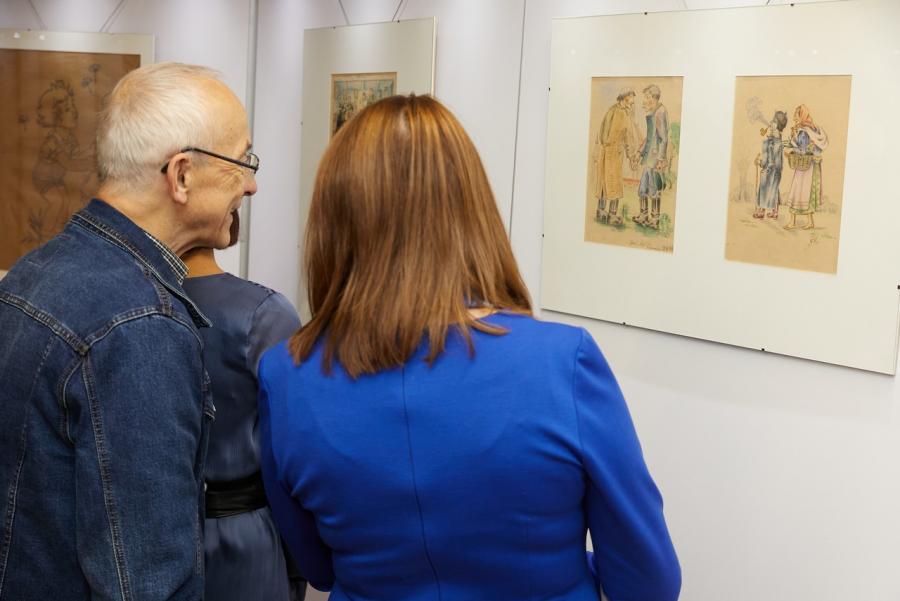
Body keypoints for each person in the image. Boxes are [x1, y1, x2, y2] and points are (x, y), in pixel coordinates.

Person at [258, 94, 680, 601]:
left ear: (333, 219)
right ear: (472, 209)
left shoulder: (285, 376)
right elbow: (648, 582)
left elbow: (318, 568)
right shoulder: (562, 363)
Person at [0, 62, 257, 599]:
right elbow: (147, 583)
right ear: (182, 176)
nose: (251, 185)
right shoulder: (141, 327)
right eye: (242, 162)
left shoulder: (35, 270)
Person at [180, 213, 306, 601]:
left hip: (148, 535)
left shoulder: (128, 302)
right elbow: (295, 453)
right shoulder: (263, 313)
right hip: (244, 540)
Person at [590, 89, 638, 226]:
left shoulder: (617, 111)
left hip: (611, 153)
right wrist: (631, 156)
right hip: (610, 153)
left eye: (632, 103)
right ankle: (607, 213)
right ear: (624, 98)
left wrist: (630, 155)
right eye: (630, 101)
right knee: (608, 184)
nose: (631, 105)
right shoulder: (617, 112)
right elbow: (625, 136)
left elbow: (627, 137)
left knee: (610, 184)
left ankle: (606, 212)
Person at [783, 104, 829, 230]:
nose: (794, 118)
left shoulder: (804, 131)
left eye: (796, 116)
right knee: (806, 194)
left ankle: (793, 222)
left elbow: (802, 150)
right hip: (811, 166)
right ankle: (809, 222)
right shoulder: (811, 129)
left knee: (797, 191)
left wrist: (790, 150)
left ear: (802, 116)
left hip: (805, 167)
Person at [633, 84, 669, 230]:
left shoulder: (660, 111)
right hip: (649, 158)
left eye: (647, 97)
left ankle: (654, 219)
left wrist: (661, 159)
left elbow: (663, 138)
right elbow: (649, 138)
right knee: (643, 188)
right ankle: (643, 215)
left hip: (655, 159)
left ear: (653, 98)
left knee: (654, 189)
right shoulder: (652, 112)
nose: (645, 100)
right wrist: (639, 152)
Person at [754, 110, 788, 219]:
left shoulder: (773, 143)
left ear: (778, 127)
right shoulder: (776, 142)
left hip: (770, 170)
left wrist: (761, 163)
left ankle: (761, 211)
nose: (771, 124)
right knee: (774, 189)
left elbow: (769, 160)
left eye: (774, 122)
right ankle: (775, 211)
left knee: (765, 188)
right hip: (775, 171)